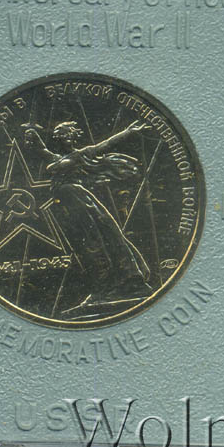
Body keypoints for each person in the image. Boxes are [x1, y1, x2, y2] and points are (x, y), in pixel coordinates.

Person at [24, 120, 151, 309]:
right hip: (69, 205)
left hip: (79, 200)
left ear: (73, 136)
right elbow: (42, 150)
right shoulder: (57, 157)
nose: (63, 138)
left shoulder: (81, 154)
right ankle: (108, 284)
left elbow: (106, 144)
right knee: (89, 242)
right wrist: (32, 134)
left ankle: (122, 281)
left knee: (99, 238)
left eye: (67, 134)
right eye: (60, 135)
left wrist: (128, 132)